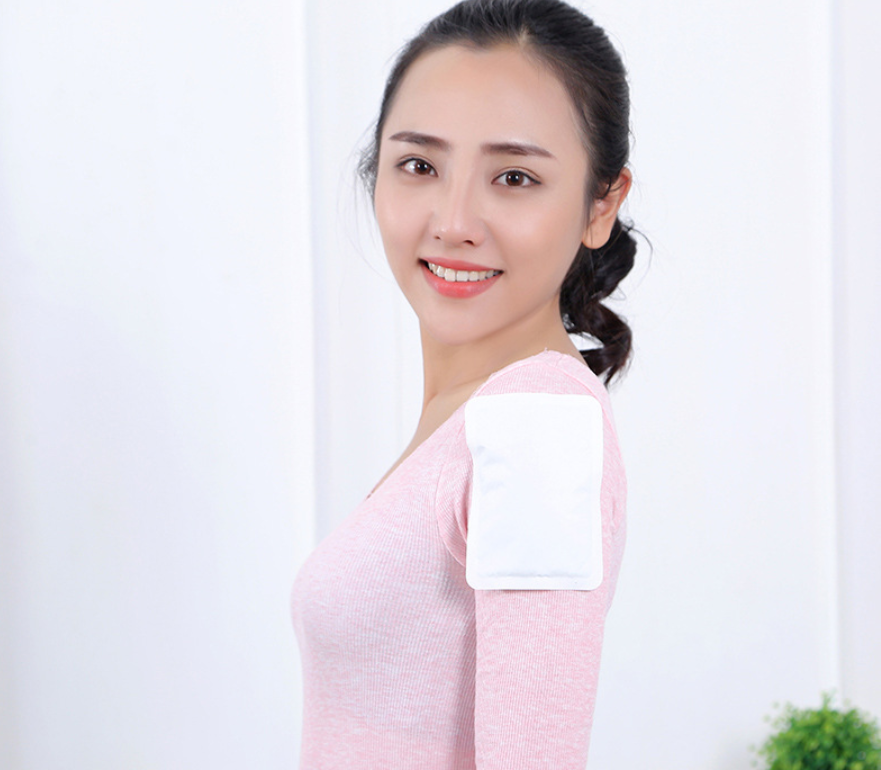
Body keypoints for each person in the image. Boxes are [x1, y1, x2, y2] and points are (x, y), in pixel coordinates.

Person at [290, 0, 636, 767]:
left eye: (513, 177)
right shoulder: (480, 414)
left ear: (601, 204)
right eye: (420, 165)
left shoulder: (537, 424)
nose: (452, 221)